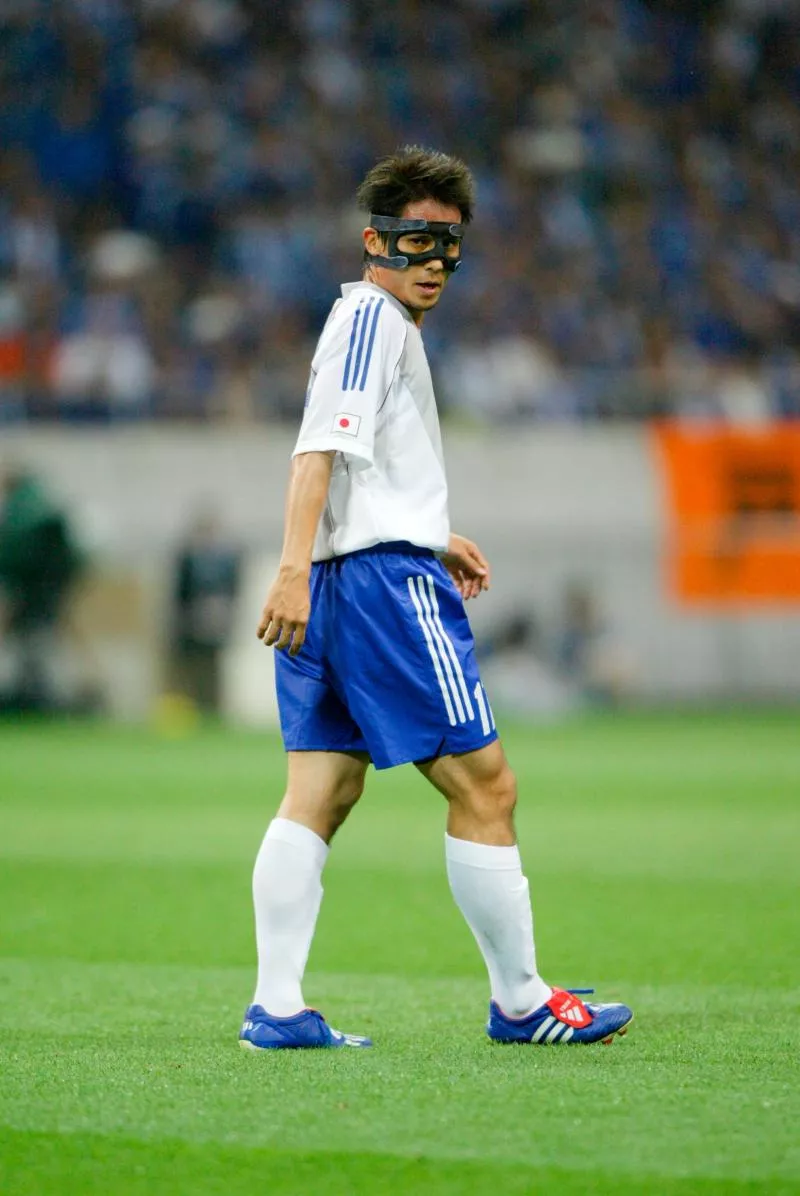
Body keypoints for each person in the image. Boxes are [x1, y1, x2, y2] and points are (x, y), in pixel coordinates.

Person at [239, 147, 633, 1051]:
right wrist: (296, 566)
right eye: (419, 241)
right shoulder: (375, 321)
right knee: (487, 784)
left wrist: (419, 530)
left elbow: (347, 458)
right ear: (376, 241)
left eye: (450, 247)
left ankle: (279, 1007)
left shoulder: (367, 324)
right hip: (375, 587)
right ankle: (524, 1000)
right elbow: (316, 452)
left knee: (322, 790)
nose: (435, 264)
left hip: (349, 575)